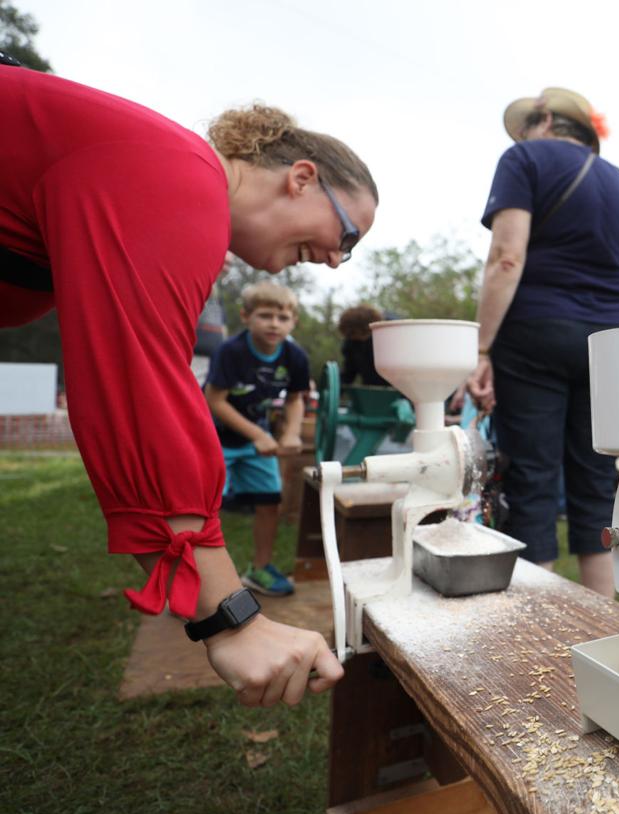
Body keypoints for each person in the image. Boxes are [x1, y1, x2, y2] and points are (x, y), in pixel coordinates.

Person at [2, 64, 376, 709]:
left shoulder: (172, 178)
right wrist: (232, 618)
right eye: (347, 235)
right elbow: (141, 392)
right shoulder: (182, 175)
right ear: (302, 178)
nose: (338, 260)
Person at [467, 87, 619, 597]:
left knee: (531, 479)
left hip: (535, 333)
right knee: (596, 481)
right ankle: (605, 621)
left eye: (524, 127)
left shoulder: (524, 159)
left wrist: (482, 348)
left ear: (546, 121)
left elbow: (507, 257)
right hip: (611, 342)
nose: (520, 136)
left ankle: (537, 626)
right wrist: (602, 312)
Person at [205, 282, 309, 597]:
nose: (274, 324)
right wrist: (260, 435)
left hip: (255, 442)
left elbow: (295, 399)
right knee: (204, 509)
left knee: (269, 502)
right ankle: (201, 579)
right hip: (213, 439)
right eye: (265, 316)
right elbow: (215, 401)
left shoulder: (294, 356)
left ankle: (259, 569)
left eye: (282, 317)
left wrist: (291, 432)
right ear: (246, 316)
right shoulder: (231, 351)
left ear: (293, 321)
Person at [337, 303, 389, 387]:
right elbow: (348, 373)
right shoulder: (350, 345)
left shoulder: (388, 334)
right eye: (351, 335)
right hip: (370, 388)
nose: (355, 337)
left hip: (395, 388)